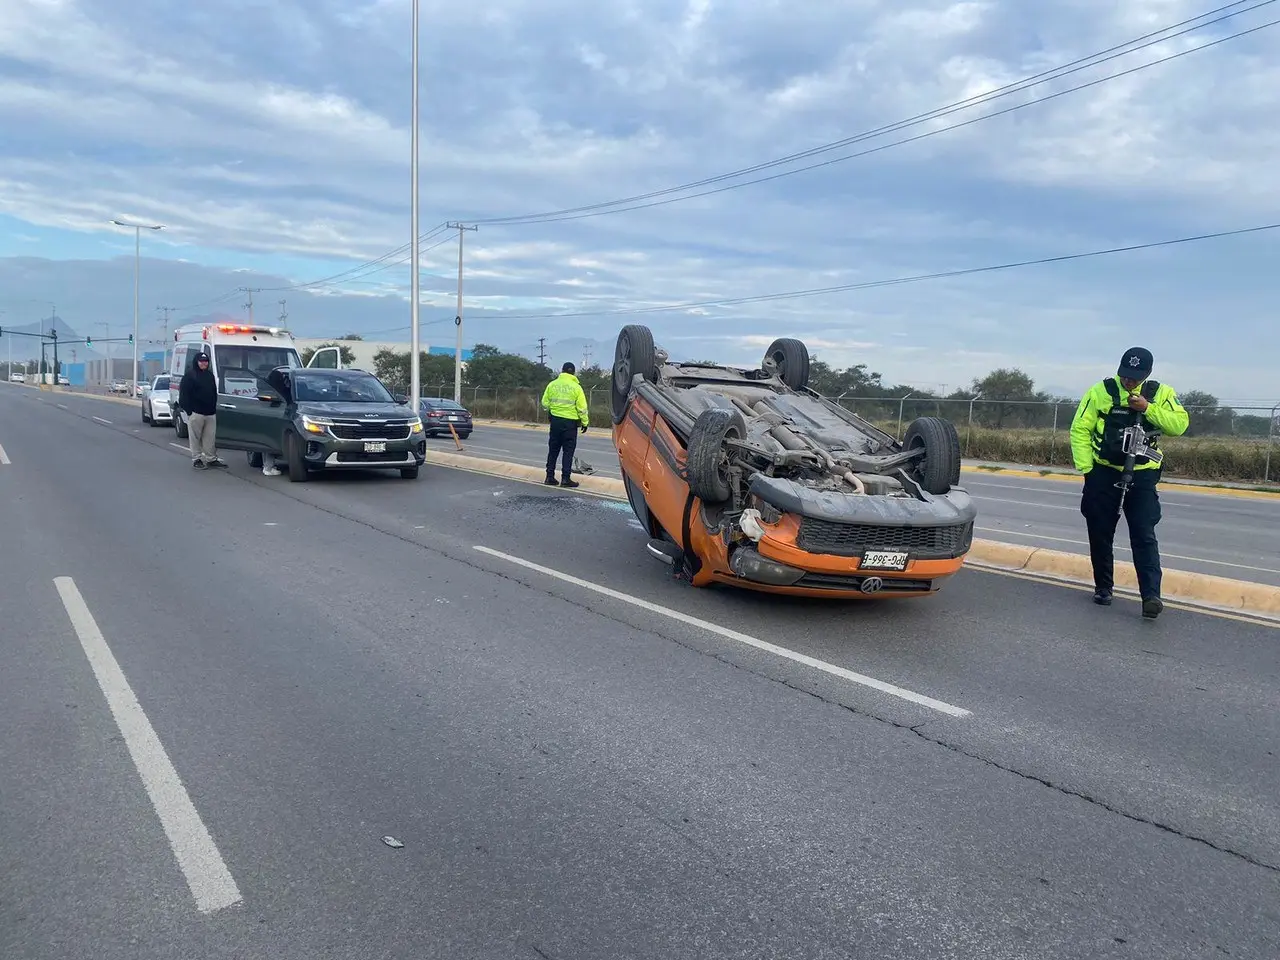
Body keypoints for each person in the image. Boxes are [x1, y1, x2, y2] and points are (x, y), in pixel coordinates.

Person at [1069, 346, 1189, 619]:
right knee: (1100, 529)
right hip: (1104, 470)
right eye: (1126, 375)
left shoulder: (1161, 393)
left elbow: (1179, 425)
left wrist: (1148, 408)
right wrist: (1087, 469)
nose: (1129, 381)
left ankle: (1151, 596)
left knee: (1143, 533)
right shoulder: (1101, 391)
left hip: (1143, 472)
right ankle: (1103, 588)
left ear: (1146, 374)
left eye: (1135, 377)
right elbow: (1080, 429)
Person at [541, 361, 589, 488]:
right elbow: (582, 408)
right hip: (570, 424)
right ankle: (565, 479)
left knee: (553, 450)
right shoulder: (576, 387)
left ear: (562, 371)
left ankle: (549, 477)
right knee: (568, 451)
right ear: (573, 373)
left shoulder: (552, 385)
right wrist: (585, 422)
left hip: (555, 421)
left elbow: (544, 403)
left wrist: (553, 410)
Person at [178, 350, 226, 469]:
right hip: (196, 413)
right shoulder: (190, 376)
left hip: (210, 413)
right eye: (201, 361)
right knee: (195, 438)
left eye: (206, 361)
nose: (204, 363)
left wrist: (214, 408)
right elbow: (183, 396)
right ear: (196, 362)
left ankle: (211, 459)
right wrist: (190, 411)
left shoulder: (210, 375)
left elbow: (214, 393)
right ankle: (197, 459)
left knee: (210, 438)